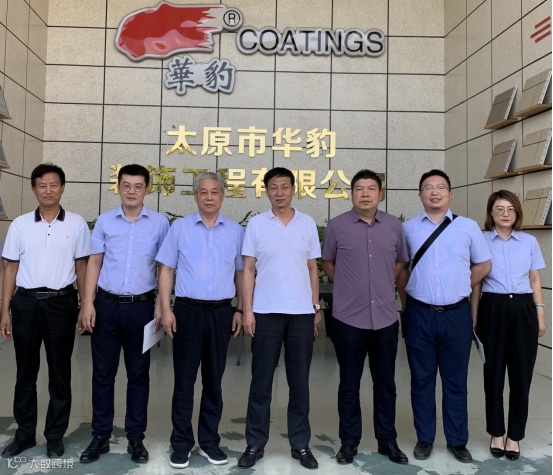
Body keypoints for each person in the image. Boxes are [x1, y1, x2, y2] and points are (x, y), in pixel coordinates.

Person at [396, 169, 491, 463]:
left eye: (440, 187)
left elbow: (484, 264)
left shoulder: (468, 227)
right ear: (420, 195)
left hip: (456, 314)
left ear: (450, 193)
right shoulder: (408, 229)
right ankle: (425, 438)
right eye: (428, 188)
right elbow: (401, 270)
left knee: (455, 381)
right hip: (420, 314)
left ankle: (457, 440)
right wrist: (407, 303)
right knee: (421, 380)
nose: (434, 192)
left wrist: (461, 285)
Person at [78, 164, 169, 464]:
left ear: (147, 189)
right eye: (126, 185)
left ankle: (135, 438)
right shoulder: (105, 221)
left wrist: (161, 304)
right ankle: (100, 436)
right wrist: (87, 302)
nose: (132, 191)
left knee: (138, 375)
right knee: (102, 374)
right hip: (106, 306)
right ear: (118, 187)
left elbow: (165, 267)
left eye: (138, 186)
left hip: (142, 308)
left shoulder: (159, 224)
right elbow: (94, 262)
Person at [0, 163, 90, 459]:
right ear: (34, 189)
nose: (48, 191)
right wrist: (4, 311)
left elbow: (81, 267)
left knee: (59, 373)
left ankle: (54, 435)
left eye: (53, 185)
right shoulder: (20, 225)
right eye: (42, 185)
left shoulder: (76, 224)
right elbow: (10, 269)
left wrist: (85, 305)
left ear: (62, 188)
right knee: (25, 372)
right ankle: (24, 434)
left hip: (62, 304)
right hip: (25, 304)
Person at [156, 172, 244, 469]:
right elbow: (166, 270)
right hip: (187, 312)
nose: (209, 197)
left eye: (214, 192)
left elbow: (241, 273)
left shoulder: (235, 231)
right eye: (203, 192)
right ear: (195, 196)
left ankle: (209, 442)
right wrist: (166, 309)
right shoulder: (180, 228)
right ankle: (181, 443)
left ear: (222, 196)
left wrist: (241, 309)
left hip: (221, 313)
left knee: (214, 381)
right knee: (184, 381)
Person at [321, 169, 409, 465]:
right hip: (348, 319)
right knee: (349, 384)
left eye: (371, 188)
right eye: (359, 188)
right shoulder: (337, 226)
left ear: (380, 194)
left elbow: (400, 262)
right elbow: (328, 262)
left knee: (385, 384)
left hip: (385, 318)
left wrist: (381, 282)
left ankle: (387, 440)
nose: (365, 193)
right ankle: (349, 442)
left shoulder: (394, 226)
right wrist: (348, 286)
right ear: (351, 194)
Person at [238, 167, 321, 470]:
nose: (279, 192)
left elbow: (312, 268)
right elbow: (248, 269)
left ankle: (300, 444)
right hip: (265, 313)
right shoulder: (257, 224)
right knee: (261, 383)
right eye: (273, 187)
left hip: (301, 314)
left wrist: (315, 308)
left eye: (285, 187)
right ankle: (254, 444)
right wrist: (248, 310)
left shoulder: (307, 223)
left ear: (294, 189)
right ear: (266, 191)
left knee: (299, 384)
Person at [471, 190, 546, 461]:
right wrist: (474, 317)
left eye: (511, 209)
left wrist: (540, 315)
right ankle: (496, 432)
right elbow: (477, 282)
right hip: (492, 308)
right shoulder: (481, 240)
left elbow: (535, 280)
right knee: (493, 375)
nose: (505, 214)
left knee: (521, 376)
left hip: (524, 309)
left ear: (517, 213)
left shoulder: (529, 242)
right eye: (500, 209)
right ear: (490, 213)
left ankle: (514, 436)